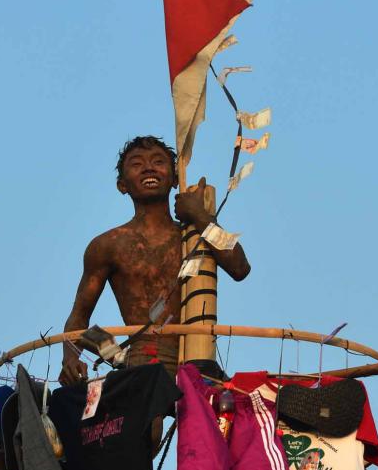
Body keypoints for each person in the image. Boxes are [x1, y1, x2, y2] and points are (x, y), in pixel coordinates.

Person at [59, 135, 250, 385]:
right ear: (122, 185)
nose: (149, 168)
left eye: (158, 162)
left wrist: (199, 216)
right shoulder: (107, 245)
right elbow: (79, 316)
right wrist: (70, 358)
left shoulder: (193, 235)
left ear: (174, 180)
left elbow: (239, 267)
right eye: (137, 164)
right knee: (142, 400)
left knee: (235, 408)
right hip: (140, 357)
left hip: (197, 357)